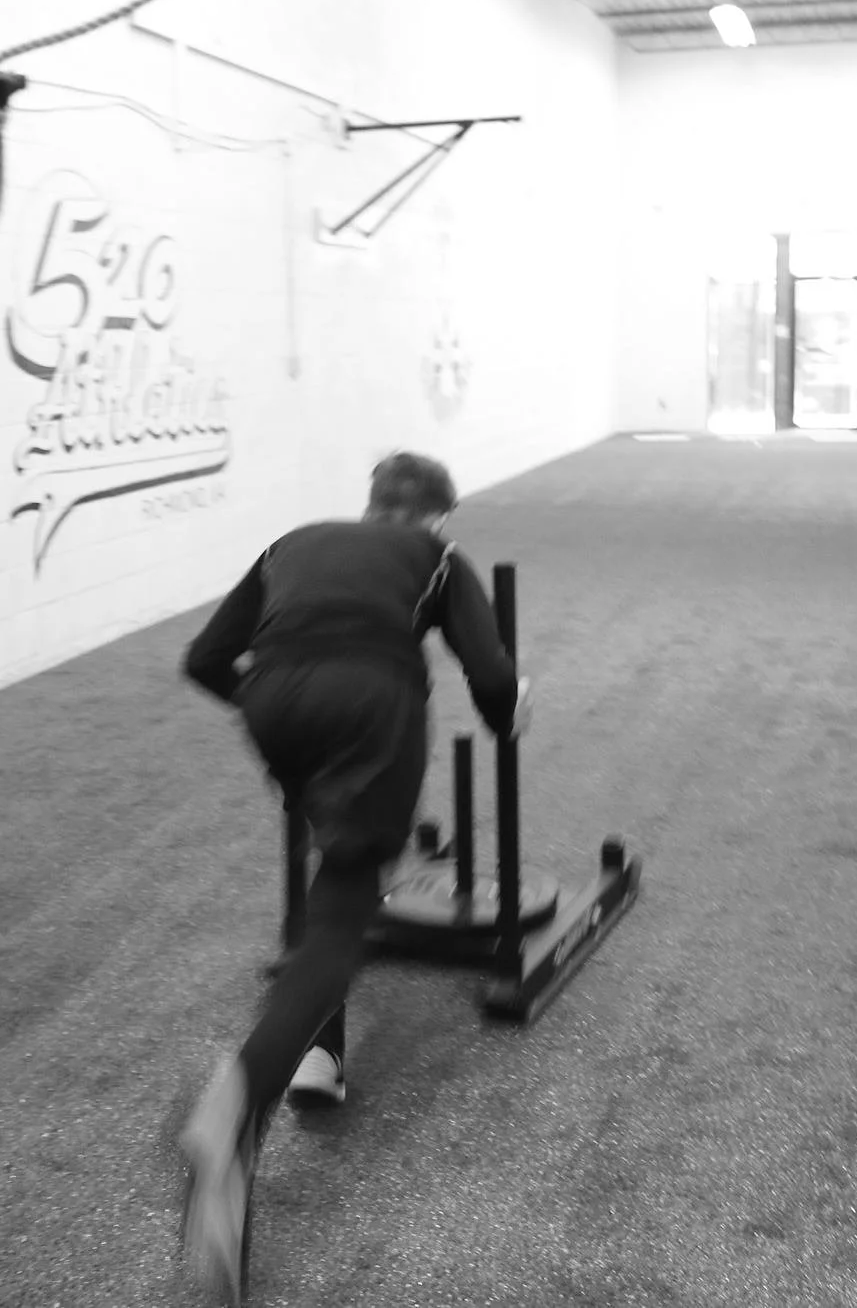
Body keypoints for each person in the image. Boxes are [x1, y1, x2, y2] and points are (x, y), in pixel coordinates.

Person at [175, 451, 533, 1303]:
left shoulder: (289, 544)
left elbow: (202, 658)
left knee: (328, 863)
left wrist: (281, 704)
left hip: (271, 700)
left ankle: (317, 1054)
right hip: (372, 703)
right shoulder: (440, 560)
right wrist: (510, 710)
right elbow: (488, 673)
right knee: (345, 912)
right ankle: (239, 1105)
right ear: (438, 518)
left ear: (372, 507)